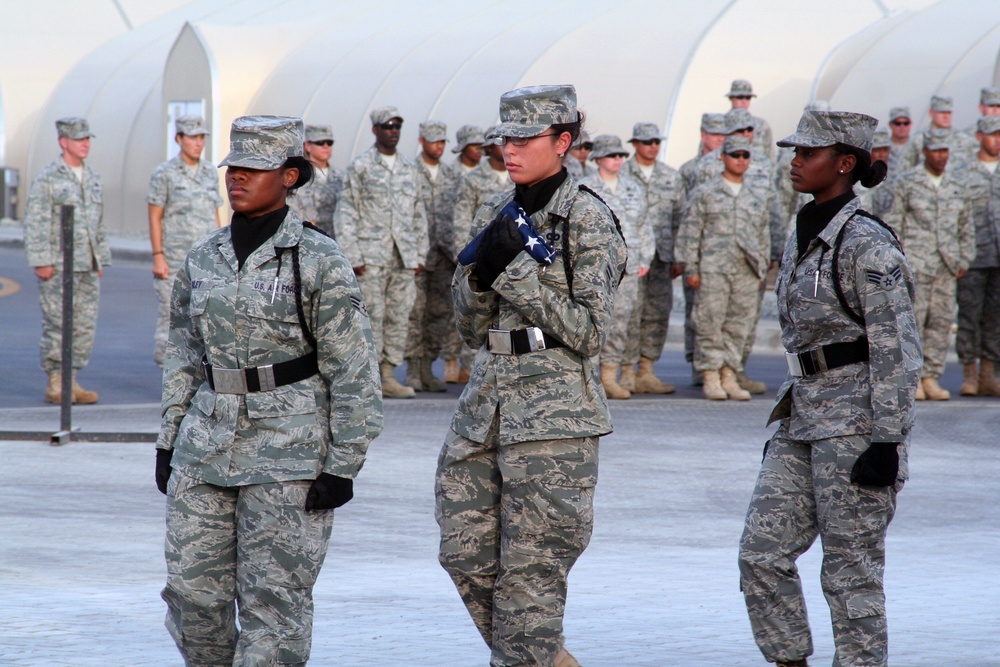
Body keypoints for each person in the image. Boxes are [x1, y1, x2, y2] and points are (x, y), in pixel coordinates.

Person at [155, 115, 383, 666]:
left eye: (254, 168)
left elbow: (353, 367)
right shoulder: (203, 256)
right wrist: (168, 441)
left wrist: (343, 463)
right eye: (233, 166)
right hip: (206, 444)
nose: (238, 177)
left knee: (273, 605)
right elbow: (185, 353)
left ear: (289, 176)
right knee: (192, 596)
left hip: (290, 450)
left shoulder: (318, 258)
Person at [435, 84, 626, 667]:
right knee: (463, 552)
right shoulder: (500, 210)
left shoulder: (587, 217)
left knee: (531, 576)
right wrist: (475, 278)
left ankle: (528, 655)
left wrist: (515, 272)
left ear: (563, 142)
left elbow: (591, 332)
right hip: (485, 407)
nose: (509, 149)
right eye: (504, 138)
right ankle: (542, 658)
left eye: (524, 138)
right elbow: (468, 328)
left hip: (553, 417)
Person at [738, 110, 921, 667]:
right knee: (760, 555)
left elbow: (898, 349)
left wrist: (886, 441)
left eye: (808, 153)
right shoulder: (803, 228)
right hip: (801, 417)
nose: (795, 161)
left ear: (845, 163)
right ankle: (790, 660)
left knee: (850, 571)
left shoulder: (868, 244)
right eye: (793, 151)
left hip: (856, 424)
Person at [334, 105, 429, 399]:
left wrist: (420, 254)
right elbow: (346, 211)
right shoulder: (361, 167)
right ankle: (369, 375)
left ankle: (388, 374)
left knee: (400, 315)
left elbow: (418, 213)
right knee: (371, 315)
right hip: (370, 257)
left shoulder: (410, 168)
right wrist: (353, 255)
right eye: (387, 127)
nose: (393, 132)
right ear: (375, 130)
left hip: (403, 257)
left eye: (397, 127)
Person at [676, 135, 772, 400]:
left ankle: (729, 375)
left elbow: (763, 235)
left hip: (745, 270)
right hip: (713, 269)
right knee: (709, 323)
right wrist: (691, 268)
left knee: (737, 325)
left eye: (745, 155)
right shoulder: (705, 193)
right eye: (735, 155)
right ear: (723, 157)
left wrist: (762, 268)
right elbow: (690, 232)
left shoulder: (756, 196)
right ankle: (710, 376)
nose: (740, 160)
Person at [23, 116, 109, 404]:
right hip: (58, 265)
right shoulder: (49, 177)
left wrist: (100, 259)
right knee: (58, 323)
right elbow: (36, 221)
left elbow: (99, 222)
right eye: (79, 139)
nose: (85, 144)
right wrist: (40, 260)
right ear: (64, 142)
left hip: (87, 263)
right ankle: (56, 382)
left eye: (87, 139)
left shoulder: (93, 177)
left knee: (83, 325)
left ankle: (72, 381)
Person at [884, 128, 974, 400]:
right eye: (936, 151)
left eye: (945, 151)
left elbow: (965, 226)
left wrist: (964, 258)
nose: (941, 156)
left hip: (945, 267)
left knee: (941, 323)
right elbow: (894, 223)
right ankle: (912, 378)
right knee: (913, 323)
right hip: (916, 265)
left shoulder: (957, 185)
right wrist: (896, 260)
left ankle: (931, 377)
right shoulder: (907, 182)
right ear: (924, 152)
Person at [147, 114, 223, 368]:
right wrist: (158, 255)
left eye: (201, 137)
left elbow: (215, 214)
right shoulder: (165, 173)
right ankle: (168, 372)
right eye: (192, 137)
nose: (198, 143)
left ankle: (197, 375)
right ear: (179, 138)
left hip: (206, 260)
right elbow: (155, 215)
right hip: (175, 258)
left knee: (205, 318)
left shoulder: (210, 172)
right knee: (172, 317)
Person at [580, 133, 650, 399]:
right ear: (598, 158)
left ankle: (609, 376)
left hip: (628, 269)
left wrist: (644, 259)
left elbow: (644, 226)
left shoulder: (633, 187)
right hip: (595, 268)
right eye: (612, 155)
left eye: (621, 155)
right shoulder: (584, 187)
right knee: (592, 320)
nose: (618, 160)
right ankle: (590, 377)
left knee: (620, 324)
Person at [621, 121, 685, 394]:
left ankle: (646, 370)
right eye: (647, 142)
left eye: (656, 142)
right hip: (630, 257)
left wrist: (679, 257)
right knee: (628, 313)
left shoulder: (671, 177)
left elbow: (680, 220)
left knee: (657, 313)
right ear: (635, 144)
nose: (653, 147)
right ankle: (624, 370)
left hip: (661, 257)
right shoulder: (621, 174)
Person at [450, 126, 511, 384]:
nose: (506, 147)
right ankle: (472, 367)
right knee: (478, 313)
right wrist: (464, 260)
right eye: (500, 142)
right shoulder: (473, 180)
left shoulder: (517, 176)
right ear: (489, 147)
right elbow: (461, 220)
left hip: (512, 261)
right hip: (481, 260)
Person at [405, 120, 462, 392]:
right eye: (434, 140)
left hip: (445, 254)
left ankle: (429, 367)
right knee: (415, 312)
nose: (439, 146)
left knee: (440, 313)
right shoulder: (409, 171)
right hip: (418, 253)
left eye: (442, 141)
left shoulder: (451, 175)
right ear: (422, 141)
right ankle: (414, 370)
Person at [951, 116, 1000, 395]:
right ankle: (969, 373)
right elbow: (956, 217)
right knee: (969, 317)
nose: (997, 140)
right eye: (992, 134)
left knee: (996, 318)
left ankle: (989, 375)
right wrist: (959, 254)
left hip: (999, 258)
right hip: (973, 258)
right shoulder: (962, 172)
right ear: (980, 136)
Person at [288, 124, 344, 237]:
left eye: (329, 143)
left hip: (337, 240)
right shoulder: (298, 177)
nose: (326, 146)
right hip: (308, 239)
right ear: (308, 146)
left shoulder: (341, 177)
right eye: (320, 143)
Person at [726, 79, 775, 162]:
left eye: (748, 97)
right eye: (740, 97)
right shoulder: (719, 125)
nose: (744, 101)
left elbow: (770, 157)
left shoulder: (762, 125)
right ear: (731, 98)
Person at [885, 106, 912, 176]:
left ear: (910, 124)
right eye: (898, 123)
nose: (902, 127)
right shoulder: (883, 149)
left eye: (906, 123)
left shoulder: (918, 146)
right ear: (890, 124)